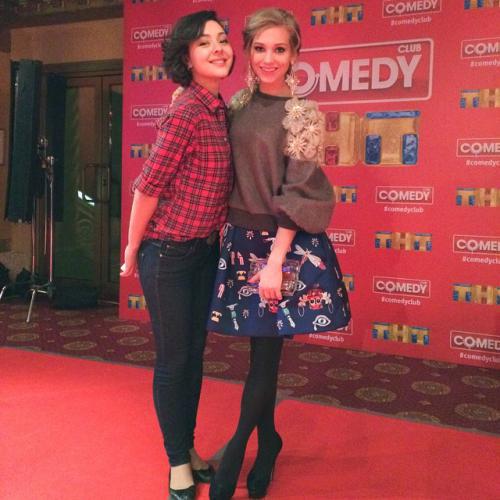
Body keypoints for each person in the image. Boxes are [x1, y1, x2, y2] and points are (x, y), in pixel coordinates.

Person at [207, 8, 351, 500]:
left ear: (295, 54)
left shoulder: (303, 113)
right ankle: (268, 440)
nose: (269, 59)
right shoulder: (238, 104)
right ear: (247, 51)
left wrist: (274, 261)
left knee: (265, 358)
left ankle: (237, 450)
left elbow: (299, 189)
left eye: (280, 49)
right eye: (260, 48)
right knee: (260, 352)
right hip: (239, 240)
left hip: (279, 247)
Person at [120, 10, 234, 500]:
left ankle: (187, 447)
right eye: (204, 43)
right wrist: (131, 247)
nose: (218, 48)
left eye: (222, 39)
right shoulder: (186, 111)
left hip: (204, 251)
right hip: (167, 254)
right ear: (186, 58)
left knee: (194, 356)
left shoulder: (217, 107)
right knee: (174, 359)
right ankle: (176, 463)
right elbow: (148, 187)